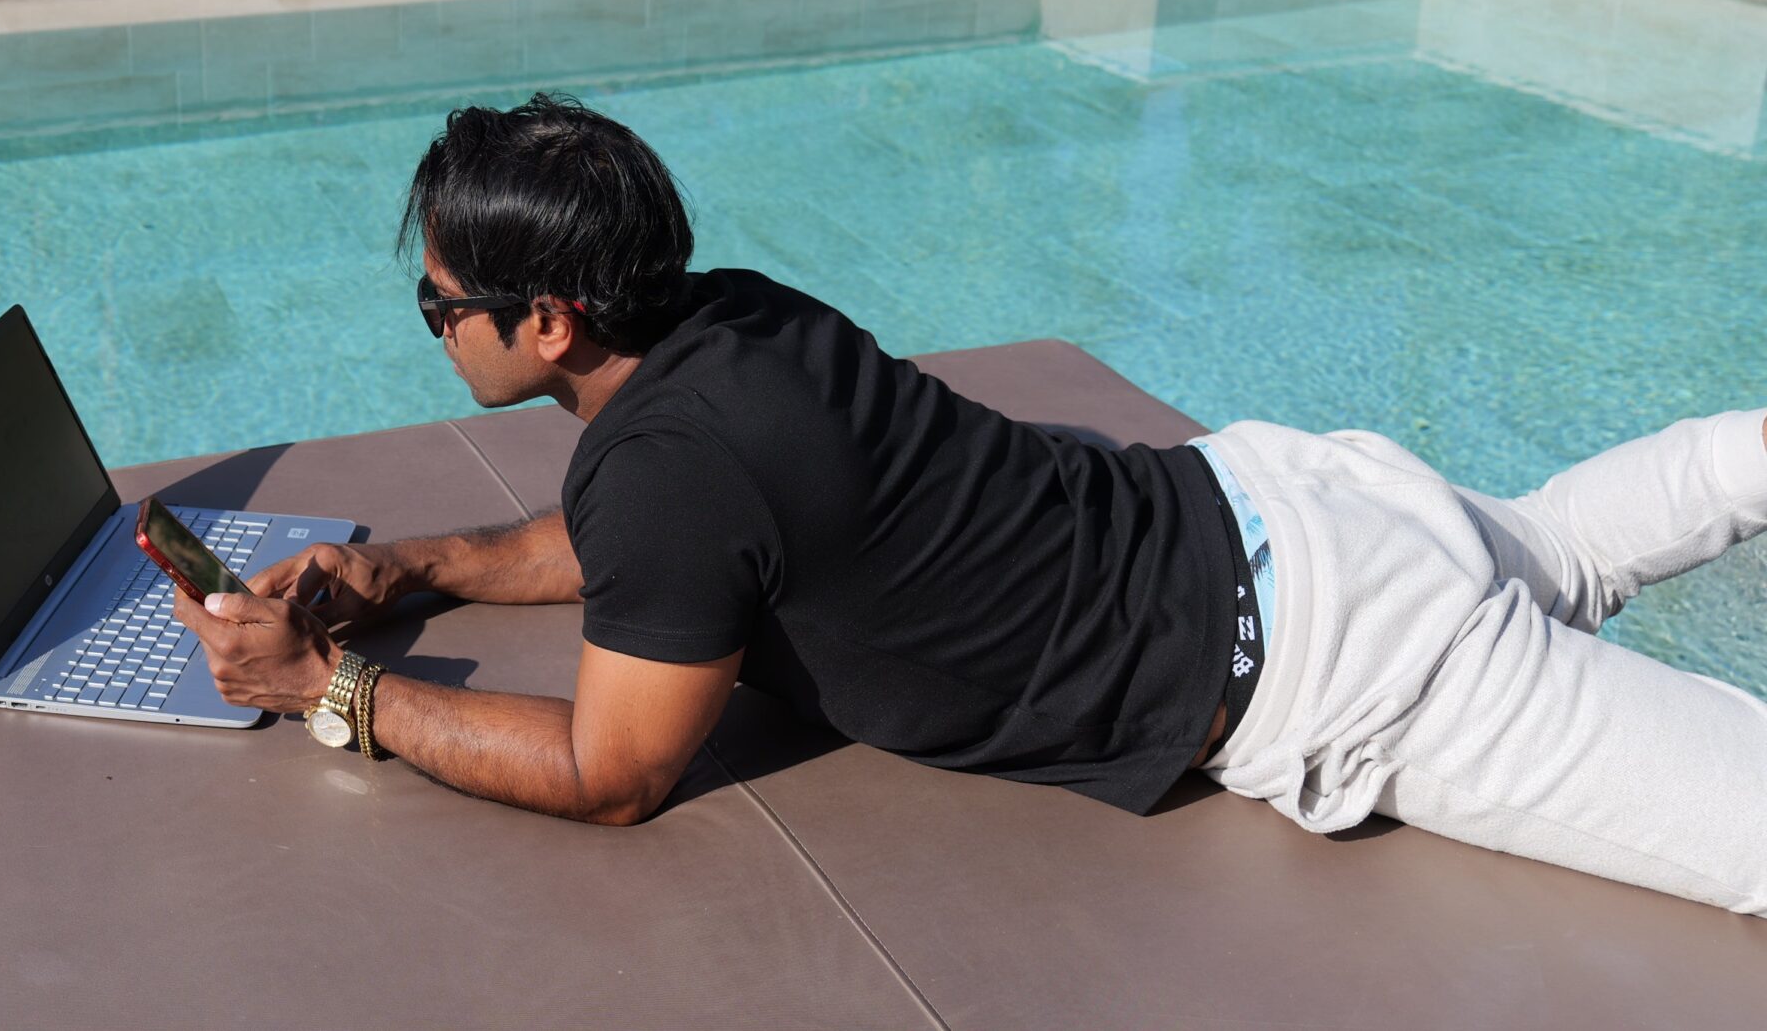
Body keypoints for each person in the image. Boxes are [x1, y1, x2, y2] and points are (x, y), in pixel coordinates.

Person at [175, 94, 1767, 915]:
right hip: (1294, 496)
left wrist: (334, 691)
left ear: (548, 322)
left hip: (1343, 659)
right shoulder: (734, 314)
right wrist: (413, 564)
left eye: (441, 304)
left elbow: (612, 772)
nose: (434, 321)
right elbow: (662, 550)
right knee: (1573, 534)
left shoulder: (668, 468)